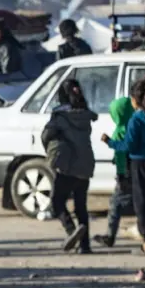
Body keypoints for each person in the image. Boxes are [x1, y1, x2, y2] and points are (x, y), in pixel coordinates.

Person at [102, 78, 145, 256]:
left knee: (140, 203)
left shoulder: (137, 119)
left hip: (140, 162)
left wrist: (110, 142)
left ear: (136, 100)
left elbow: (128, 145)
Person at [41, 79, 97, 254]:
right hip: (86, 164)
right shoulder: (85, 114)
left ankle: (72, 232)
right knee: (81, 207)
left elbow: (46, 135)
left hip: (67, 165)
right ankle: (85, 246)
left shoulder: (59, 117)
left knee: (57, 203)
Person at [94, 96, 136, 248]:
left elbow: (121, 151)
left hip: (125, 173)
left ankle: (110, 236)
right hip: (137, 170)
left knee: (115, 204)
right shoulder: (134, 125)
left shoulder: (120, 131)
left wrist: (121, 173)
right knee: (141, 202)